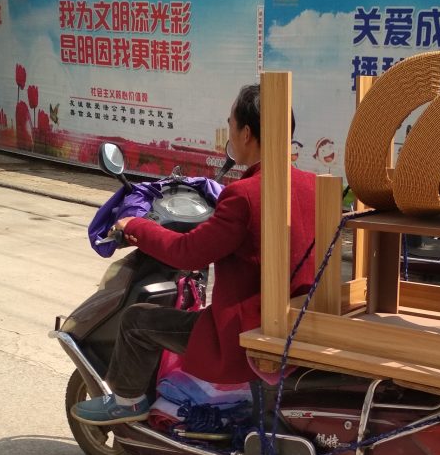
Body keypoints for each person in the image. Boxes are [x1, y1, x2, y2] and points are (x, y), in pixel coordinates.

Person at [72, 84, 317, 425]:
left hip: (246, 329)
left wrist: (135, 227)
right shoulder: (313, 185)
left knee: (137, 321)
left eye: (231, 122)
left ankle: (128, 402)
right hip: (298, 318)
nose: (229, 131)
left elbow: (188, 254)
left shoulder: (243, 194)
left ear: (246, 133)